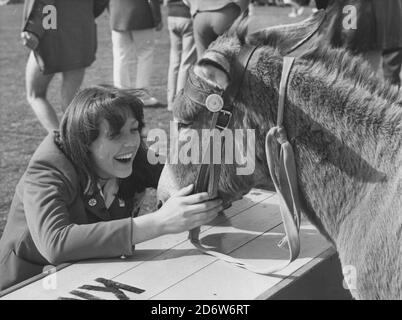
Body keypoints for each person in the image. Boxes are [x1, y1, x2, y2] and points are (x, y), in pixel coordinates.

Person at [0, 86, 223, 292]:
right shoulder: (47, 171)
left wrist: (222, 185)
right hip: (24, 286)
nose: (131, 143)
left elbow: (187, 177)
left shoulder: (134, 156)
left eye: (134, 130)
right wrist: (159, 222)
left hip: (95, 279)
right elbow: (55, 243)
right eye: (115, 135)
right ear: (84, 141)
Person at [21, 0, 107, 133]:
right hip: (80, 29)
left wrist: (32, 28)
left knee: (35, 94)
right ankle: (73, 141)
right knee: (71, 99)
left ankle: (60, 139)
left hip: (52, 29)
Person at [109, 0, 165, 107]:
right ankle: (142, 95)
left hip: (117, 14)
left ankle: (121, 94)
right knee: (145, 55)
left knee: (120, 56)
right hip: (141, 15)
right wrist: (158, 19)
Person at [183, 0, 250, 56]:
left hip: (200, 16)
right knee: (232, 59)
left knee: (202, 61)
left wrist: (194, 9)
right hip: (226, 14)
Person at [165, 0, 197, 111]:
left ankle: (170, 101)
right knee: (186, 62)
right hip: (186, 16)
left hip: (171, 15)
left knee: (174, 61)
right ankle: (180, 102)